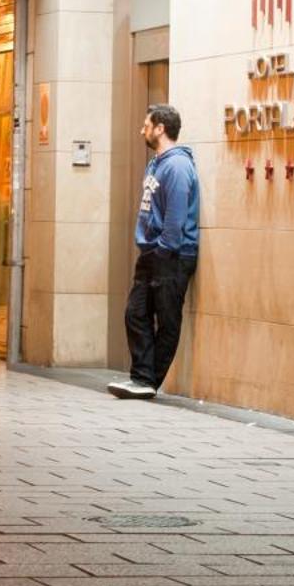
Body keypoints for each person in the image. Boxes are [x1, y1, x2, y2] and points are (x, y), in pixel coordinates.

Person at [109, 104, 199, 401]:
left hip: (171, 255)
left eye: (146, 125)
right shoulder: (156, 163)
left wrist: (163, 251)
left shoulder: (177, 166)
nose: (142, 130)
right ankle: (142, 377)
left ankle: (148, 380)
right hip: (151, 253)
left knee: (168, 320)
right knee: (135, 313)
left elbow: (175, 219)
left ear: (160, 128)